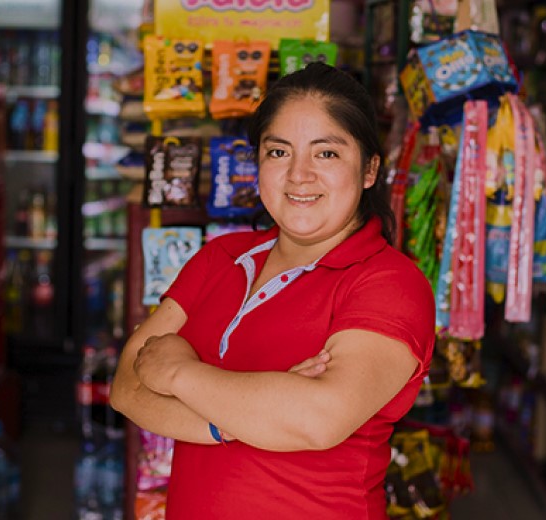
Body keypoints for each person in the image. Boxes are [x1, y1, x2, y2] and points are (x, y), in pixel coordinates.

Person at [110, 62, 436, 519]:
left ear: (369, 170)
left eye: (326, 154)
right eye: (279, 152)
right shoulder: (220, 258)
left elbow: (316, 420)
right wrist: (238, 421)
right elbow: (126, 387)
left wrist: (178, 374)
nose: (299, 175)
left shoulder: (389, 284)